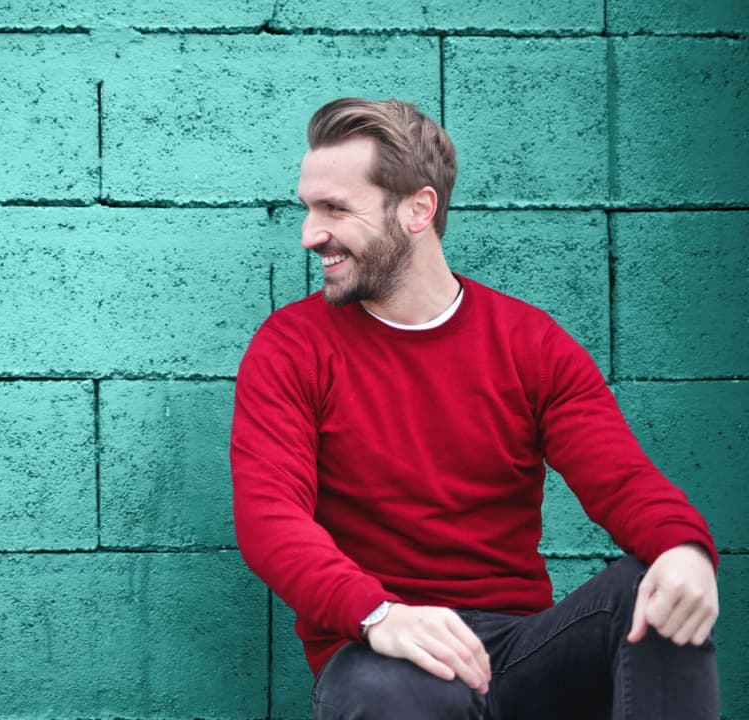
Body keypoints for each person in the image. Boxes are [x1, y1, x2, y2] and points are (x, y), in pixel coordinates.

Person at [230, 97, 720, 719]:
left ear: (418, 209)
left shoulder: (530, 344)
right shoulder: (292, 347)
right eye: (309, 208)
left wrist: (684, 550)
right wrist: (378, 613)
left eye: (334, 209)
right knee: (383, 691)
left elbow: (620, 478)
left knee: (655, 594)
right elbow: (269, 517)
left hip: (514, 651)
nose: (310, 233)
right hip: (379, 650)